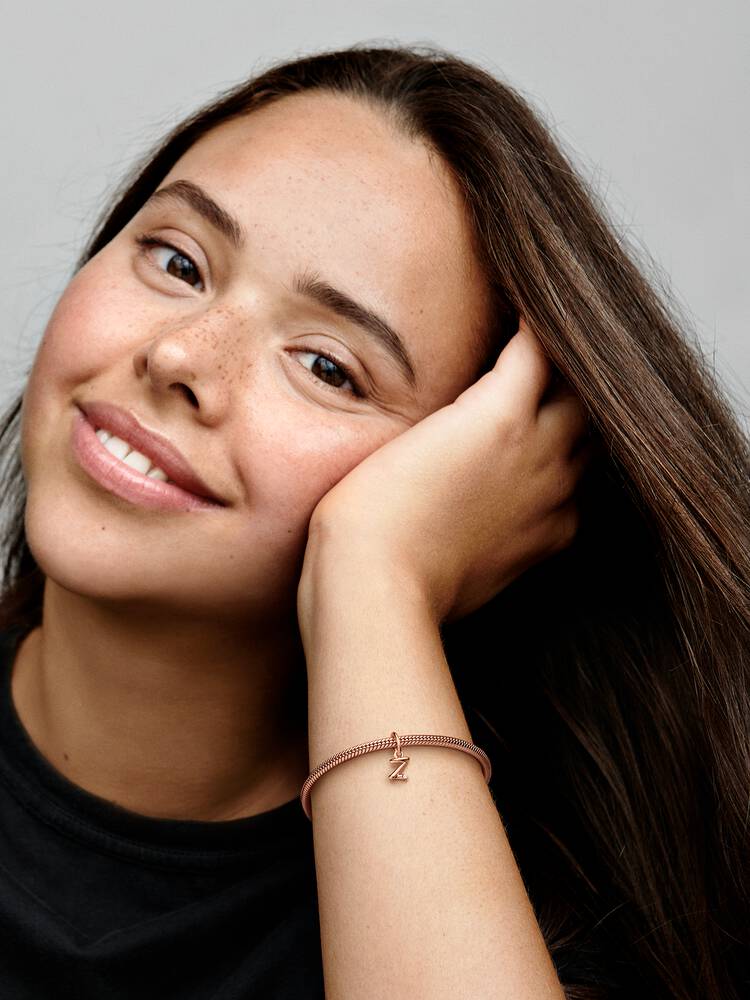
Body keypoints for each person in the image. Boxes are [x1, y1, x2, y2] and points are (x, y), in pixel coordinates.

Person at [0, 41, 747, 1000]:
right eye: (178, 261)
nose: (181, 356)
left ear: (476, 480)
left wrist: (376, 575)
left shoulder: (546, 943)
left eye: (327, 367)